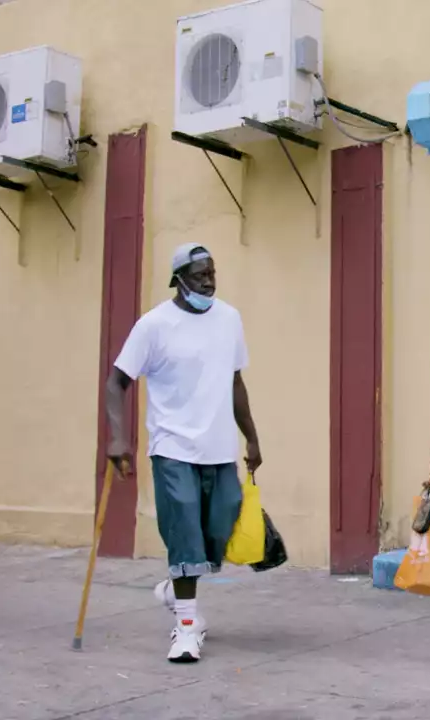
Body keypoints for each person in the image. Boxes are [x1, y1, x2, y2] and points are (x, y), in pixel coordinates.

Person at [105, 243, 261, 664]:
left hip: (217, 448)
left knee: (220, 527)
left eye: (212, 272)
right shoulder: (154, 325)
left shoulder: (229, 319)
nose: (208, 281)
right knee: (186, 535)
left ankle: (176, 590)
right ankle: (187, 629)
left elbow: (235, 382)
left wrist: (251, 437)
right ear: (178, 280)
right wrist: (117, 438)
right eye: (198, 275)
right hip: (172, 448)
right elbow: (116, 382)